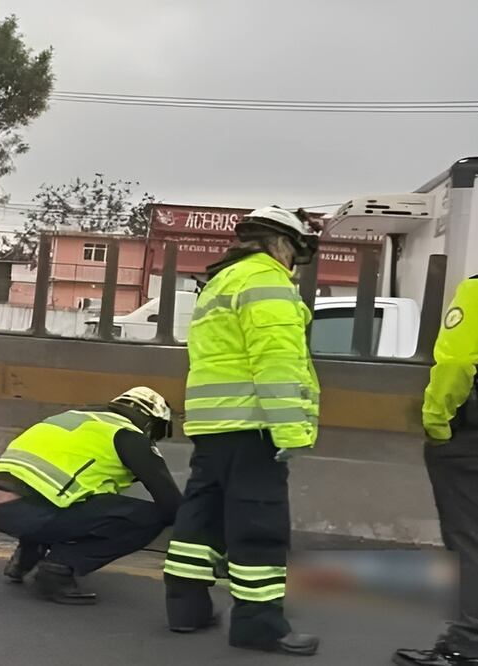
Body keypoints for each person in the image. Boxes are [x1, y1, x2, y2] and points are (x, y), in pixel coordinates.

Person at [162, 206, 321, 656]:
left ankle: (186, 608)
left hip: (213, 423)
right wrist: (290, 433)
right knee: (259, 523)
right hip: (254, 426)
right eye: (294, 254)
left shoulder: (221, 281)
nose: (292, 264)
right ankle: (259, 624)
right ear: (282, 243)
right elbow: (277, 362)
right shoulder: (266, 281)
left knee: (202, 515)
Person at [0, 386, 181, 604]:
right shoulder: (128, 435)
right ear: (150, 422)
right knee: (150, 518)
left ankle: (27, 555)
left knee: (68, 498)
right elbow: (171, 505)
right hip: (34, 513)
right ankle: (57, 569)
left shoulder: (70, 419)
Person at [393, 277, 478, 666]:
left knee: (468, 538)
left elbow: (458, 362)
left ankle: (468, 644)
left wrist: (437, 422)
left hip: (470, 441)